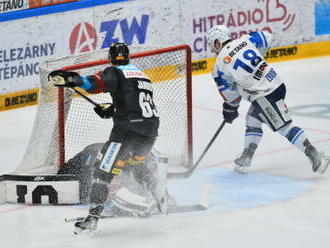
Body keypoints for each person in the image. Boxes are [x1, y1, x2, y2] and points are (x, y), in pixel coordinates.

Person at [48, 42, 167, 234]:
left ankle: (92, 217)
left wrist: (72, 79)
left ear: (111, 58)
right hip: (151, 130)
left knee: (102, 171)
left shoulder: (114, 71)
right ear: (128, 57)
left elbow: (93, 84)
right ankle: (156, 189)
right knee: (136, 165)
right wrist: (113, 110)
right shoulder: (142, 76)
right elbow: (134, 102)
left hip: (126, 132)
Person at [206, 25, 330, 174]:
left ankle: (316, 156)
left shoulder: (219, 67)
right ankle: (246, 156)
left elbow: (231, 96)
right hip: (276, 83)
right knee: (253, 118)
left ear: (218, 42)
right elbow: (267, 37)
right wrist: (259, 63)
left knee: (284, 127)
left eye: (213, 45)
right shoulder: (245, 41)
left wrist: (230, 109)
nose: (213, 50)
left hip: (263, 96)